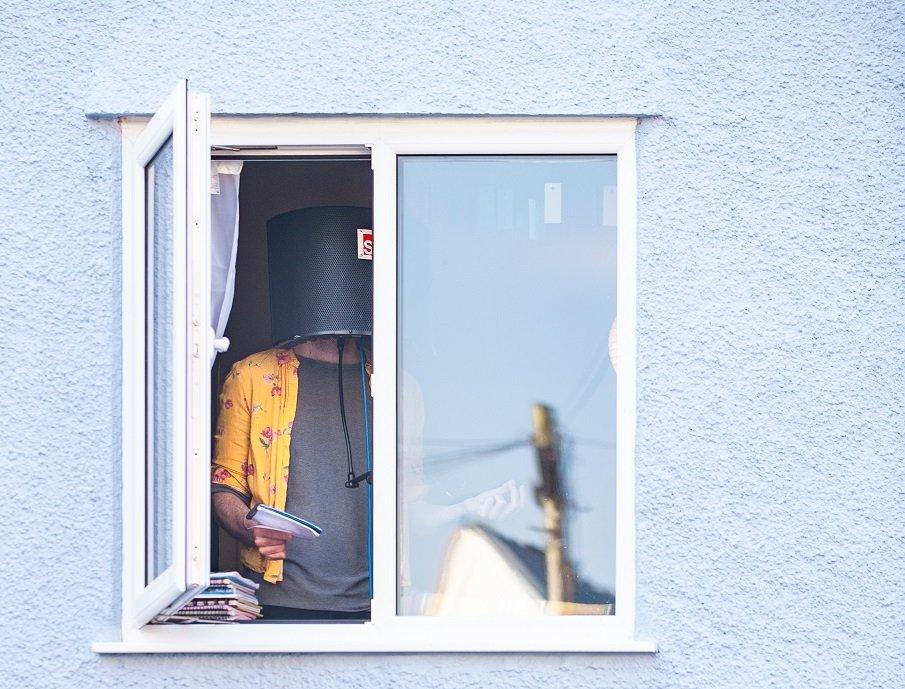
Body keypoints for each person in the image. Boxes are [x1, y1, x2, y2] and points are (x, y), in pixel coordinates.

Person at [211, 335, 372, 621]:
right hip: (279, 600)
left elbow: (411, 497)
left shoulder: (395, 380)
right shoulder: (252, 375)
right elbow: (225, 484)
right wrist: (251, 528)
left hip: (381, 606)